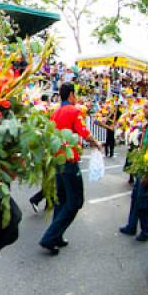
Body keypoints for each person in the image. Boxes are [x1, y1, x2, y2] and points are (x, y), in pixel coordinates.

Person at [37, 83, 103, 255]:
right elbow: (84, 132)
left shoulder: (55, 112)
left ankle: (56, 236)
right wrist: (96, 143)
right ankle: (50, 237)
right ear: (71, 95)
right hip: (69, 161)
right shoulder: (74, 111)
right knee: (75, 202)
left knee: (61, 200)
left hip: (58, 161)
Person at [119, 98, 148, 241]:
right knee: (135, 198)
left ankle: (147, 230)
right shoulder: (146, 125)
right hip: (141, 168)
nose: (144, 110)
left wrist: (147, 174)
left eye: (147, 107)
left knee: (142, 202)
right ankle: (131, 226)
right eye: (144, 107)